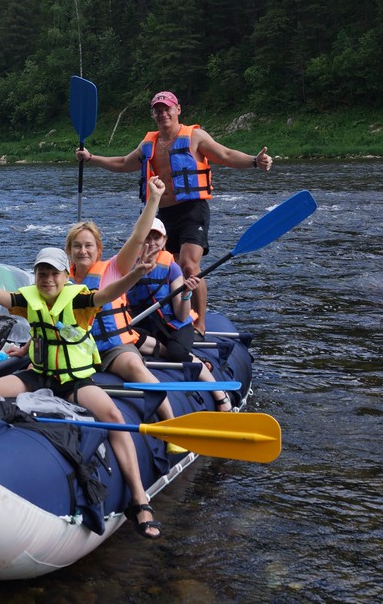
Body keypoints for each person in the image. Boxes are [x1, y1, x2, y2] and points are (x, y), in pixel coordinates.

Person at [0, 244, 163, 539]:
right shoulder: (29, 301)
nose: (47, 279)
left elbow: (109, 293)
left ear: (65, 276)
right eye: (41, 273)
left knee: (113, 415)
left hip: (73, 382)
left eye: (53, 273)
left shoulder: (80, 301)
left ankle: (140, 499)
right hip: (38, 376)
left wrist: (138, 271)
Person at [75, 91, 274, 335]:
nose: (163, 113)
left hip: (193, 210)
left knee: (189, 266)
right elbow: (124, 163)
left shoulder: (195, 136)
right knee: (163, 267)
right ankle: (166, 314)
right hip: (164, 214)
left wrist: (255, 161)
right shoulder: (149, 143)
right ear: (153, 114)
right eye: (158, 110)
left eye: (167, 108)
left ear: (178, 109)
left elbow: (226, 155)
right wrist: (92, 158)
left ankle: (199, 322)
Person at [65, 176, 176, 424]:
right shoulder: (60, 281)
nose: (83, 251)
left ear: (99, 250)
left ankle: (170, 423)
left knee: (136, 367)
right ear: (68, 251)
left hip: (114, 349)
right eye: (77, 246)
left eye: (88, 246)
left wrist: (154, 199)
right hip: (80, 352)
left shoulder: (113, 269)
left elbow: (138, 238)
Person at [126, 218, 232, 412]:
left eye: (156, 237)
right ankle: (163, 349)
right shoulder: (127, 266)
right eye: (146, 237)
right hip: (145, 325)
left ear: (164, 241)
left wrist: (185, 294)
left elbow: (182, 316)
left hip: (173, 325)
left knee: (177, 353)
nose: (151, 242)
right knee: (127, 338)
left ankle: (218, 392)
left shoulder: (171, 268)